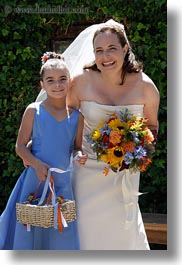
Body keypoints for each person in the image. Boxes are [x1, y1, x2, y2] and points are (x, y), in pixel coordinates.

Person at [36, 20, 160, 250]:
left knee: (123, 230)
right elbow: (65, 121)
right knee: (85, 230)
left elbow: (152, 127)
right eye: (99, 51)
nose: (105, 57)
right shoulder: (80, 82)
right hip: (85, 170)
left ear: (125, 49)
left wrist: (133, 146)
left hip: (123, 172)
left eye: (112, 48)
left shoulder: (146, 87)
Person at [0, 52, 87, 250]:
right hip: (35, 180)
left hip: (62, 183)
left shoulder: (77, 117)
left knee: (61, 233)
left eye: (62, 79)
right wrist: (36, 164)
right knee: (30, 227)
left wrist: (79, 156)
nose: (57, 85)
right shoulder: (34, 110)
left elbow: (76, 148)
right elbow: (20, 147)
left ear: (70, 81)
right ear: (42, 85)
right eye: (51, 80)